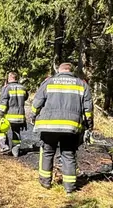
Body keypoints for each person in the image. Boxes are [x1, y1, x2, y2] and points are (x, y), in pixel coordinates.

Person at [30, 63, 93, 194]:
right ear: (71, 70)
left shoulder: (49, 82)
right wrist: (89, 125)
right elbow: (88, 109)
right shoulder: (81, 84)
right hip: (71, 126)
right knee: (68, 154)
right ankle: (69, 187)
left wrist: (33, 116)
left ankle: (45, 182)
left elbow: (36, 103)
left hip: (49, 125)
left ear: (58, 70)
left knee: (47, 152)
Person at [0, 72, 28, 157]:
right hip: (20, 115)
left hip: (8, 115)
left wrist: (0, 113)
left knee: (0, 129)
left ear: (9, 78)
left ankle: (4, 147)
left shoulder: (7, 88)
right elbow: (25, 98)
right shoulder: (23, 88)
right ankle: (16, 152)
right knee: (16, 132)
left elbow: (3, 102)